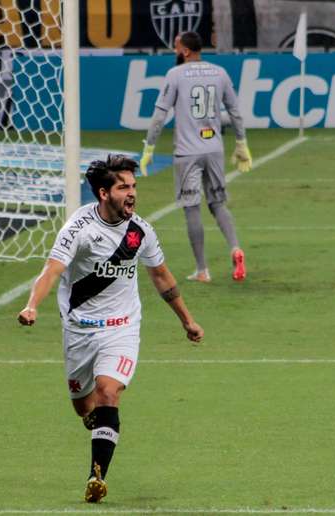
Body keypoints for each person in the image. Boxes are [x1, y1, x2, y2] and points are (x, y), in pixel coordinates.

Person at [17, 154, 204, 503]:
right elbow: (52, 270)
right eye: (123, 187)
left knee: (108, 392)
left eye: (133, 186)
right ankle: (98, 424)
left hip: (122, 327)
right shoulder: (78, 229)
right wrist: (32, 305)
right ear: (103, 193)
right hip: (79, 330)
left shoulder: (141, 231)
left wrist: (186, 320)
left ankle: (96, 477)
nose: (132, 193)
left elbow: (161, 276)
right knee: (84, 406)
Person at [140, 30, 253, 283]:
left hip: (187, 153)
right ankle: (235, 247)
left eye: (176, 46)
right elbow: (235, 112)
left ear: (186, 51)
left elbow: (160, 117)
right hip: (214, 148)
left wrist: (149, 148)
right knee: (218, 203)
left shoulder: (175, 75)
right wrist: (241, 143)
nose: (174, 51)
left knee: (192, 208)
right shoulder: (219, 72)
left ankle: (202, 270)